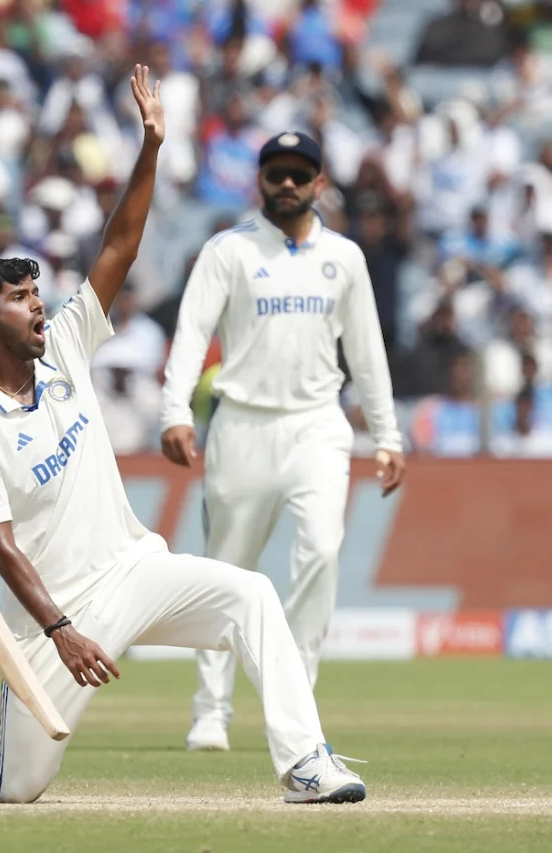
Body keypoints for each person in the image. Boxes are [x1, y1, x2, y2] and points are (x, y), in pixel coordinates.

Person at [0, 66, 365, 807]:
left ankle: (306, 762)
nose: (40, 308)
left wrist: (152, 146)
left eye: (38, 293)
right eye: (20, 299)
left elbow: (119, 246)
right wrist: (63, 628)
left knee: (253, 596)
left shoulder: (67, 345)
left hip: (135, 568)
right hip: (54, 621)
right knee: (16, 789)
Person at [159, 130, 406, 753]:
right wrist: (174, 412)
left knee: (322, 551)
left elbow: (367, 352)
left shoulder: (344, 257)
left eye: (301, 174)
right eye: (277, 174)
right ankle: (211, 710)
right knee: (226, 573)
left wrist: (387, 434)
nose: (288, 184)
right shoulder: (229, 251)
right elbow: (192, 333)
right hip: (242, 424)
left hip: (319, 424)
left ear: (320, 184)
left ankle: (298, 705)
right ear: (261, 181)